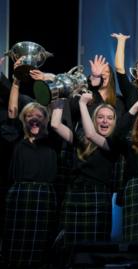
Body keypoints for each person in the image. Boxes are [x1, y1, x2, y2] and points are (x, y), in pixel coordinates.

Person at [79, 91, 138, 241]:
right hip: (134, 195)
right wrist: (135, 108)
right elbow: (115, 135)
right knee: (133, 241)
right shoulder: (128, 144)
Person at [50, 98, 118, 247]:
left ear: (114, 122)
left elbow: (91, 135)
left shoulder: (115, 143)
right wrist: (59, 97)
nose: (105, 121)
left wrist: (82, 104)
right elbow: (55, 124)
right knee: (69, 247)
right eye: (100, 117)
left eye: (109, 118)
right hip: (74, 196)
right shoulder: (80, 140)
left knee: (93, 248)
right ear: (94, 120)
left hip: (98, 199)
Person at [1, 101, 59, 268]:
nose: (34, 119)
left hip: (44, 198)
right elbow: (12, 111)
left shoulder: (52, 141)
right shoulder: (15, 139)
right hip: (19, 197)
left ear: (46, 120)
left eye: (39, 116)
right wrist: (17, 82)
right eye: (29, 116)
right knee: (14, 244)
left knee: (41, 247)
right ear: (23, 119)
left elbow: (56, 121)